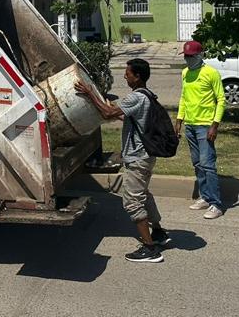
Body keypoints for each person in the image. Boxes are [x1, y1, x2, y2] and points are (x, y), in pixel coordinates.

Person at [75, 58, 170, 263]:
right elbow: (123, 116)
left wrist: (90, 93)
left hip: (138, 158)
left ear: (137, 76)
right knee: (143, 194)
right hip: (145, 156)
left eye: (128, 73)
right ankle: (159, 233)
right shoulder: (147, 95)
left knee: (132, 202)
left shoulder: (135, 97)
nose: (124, 76)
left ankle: (150, 249)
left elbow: (108, 112)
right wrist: (110, 109)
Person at [177, 40, 226, 219]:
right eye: (185, 56)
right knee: (197, 163)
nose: (188, 59)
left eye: (191, 56)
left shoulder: (211, 73)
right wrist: (179, 120)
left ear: (200, 56)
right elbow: (184, 97)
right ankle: (205, 196)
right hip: (190, 124)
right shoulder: (185, 73)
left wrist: (215, 125)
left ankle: (216, 204)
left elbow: (221, 100)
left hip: (205, 126)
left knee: (208, 165)